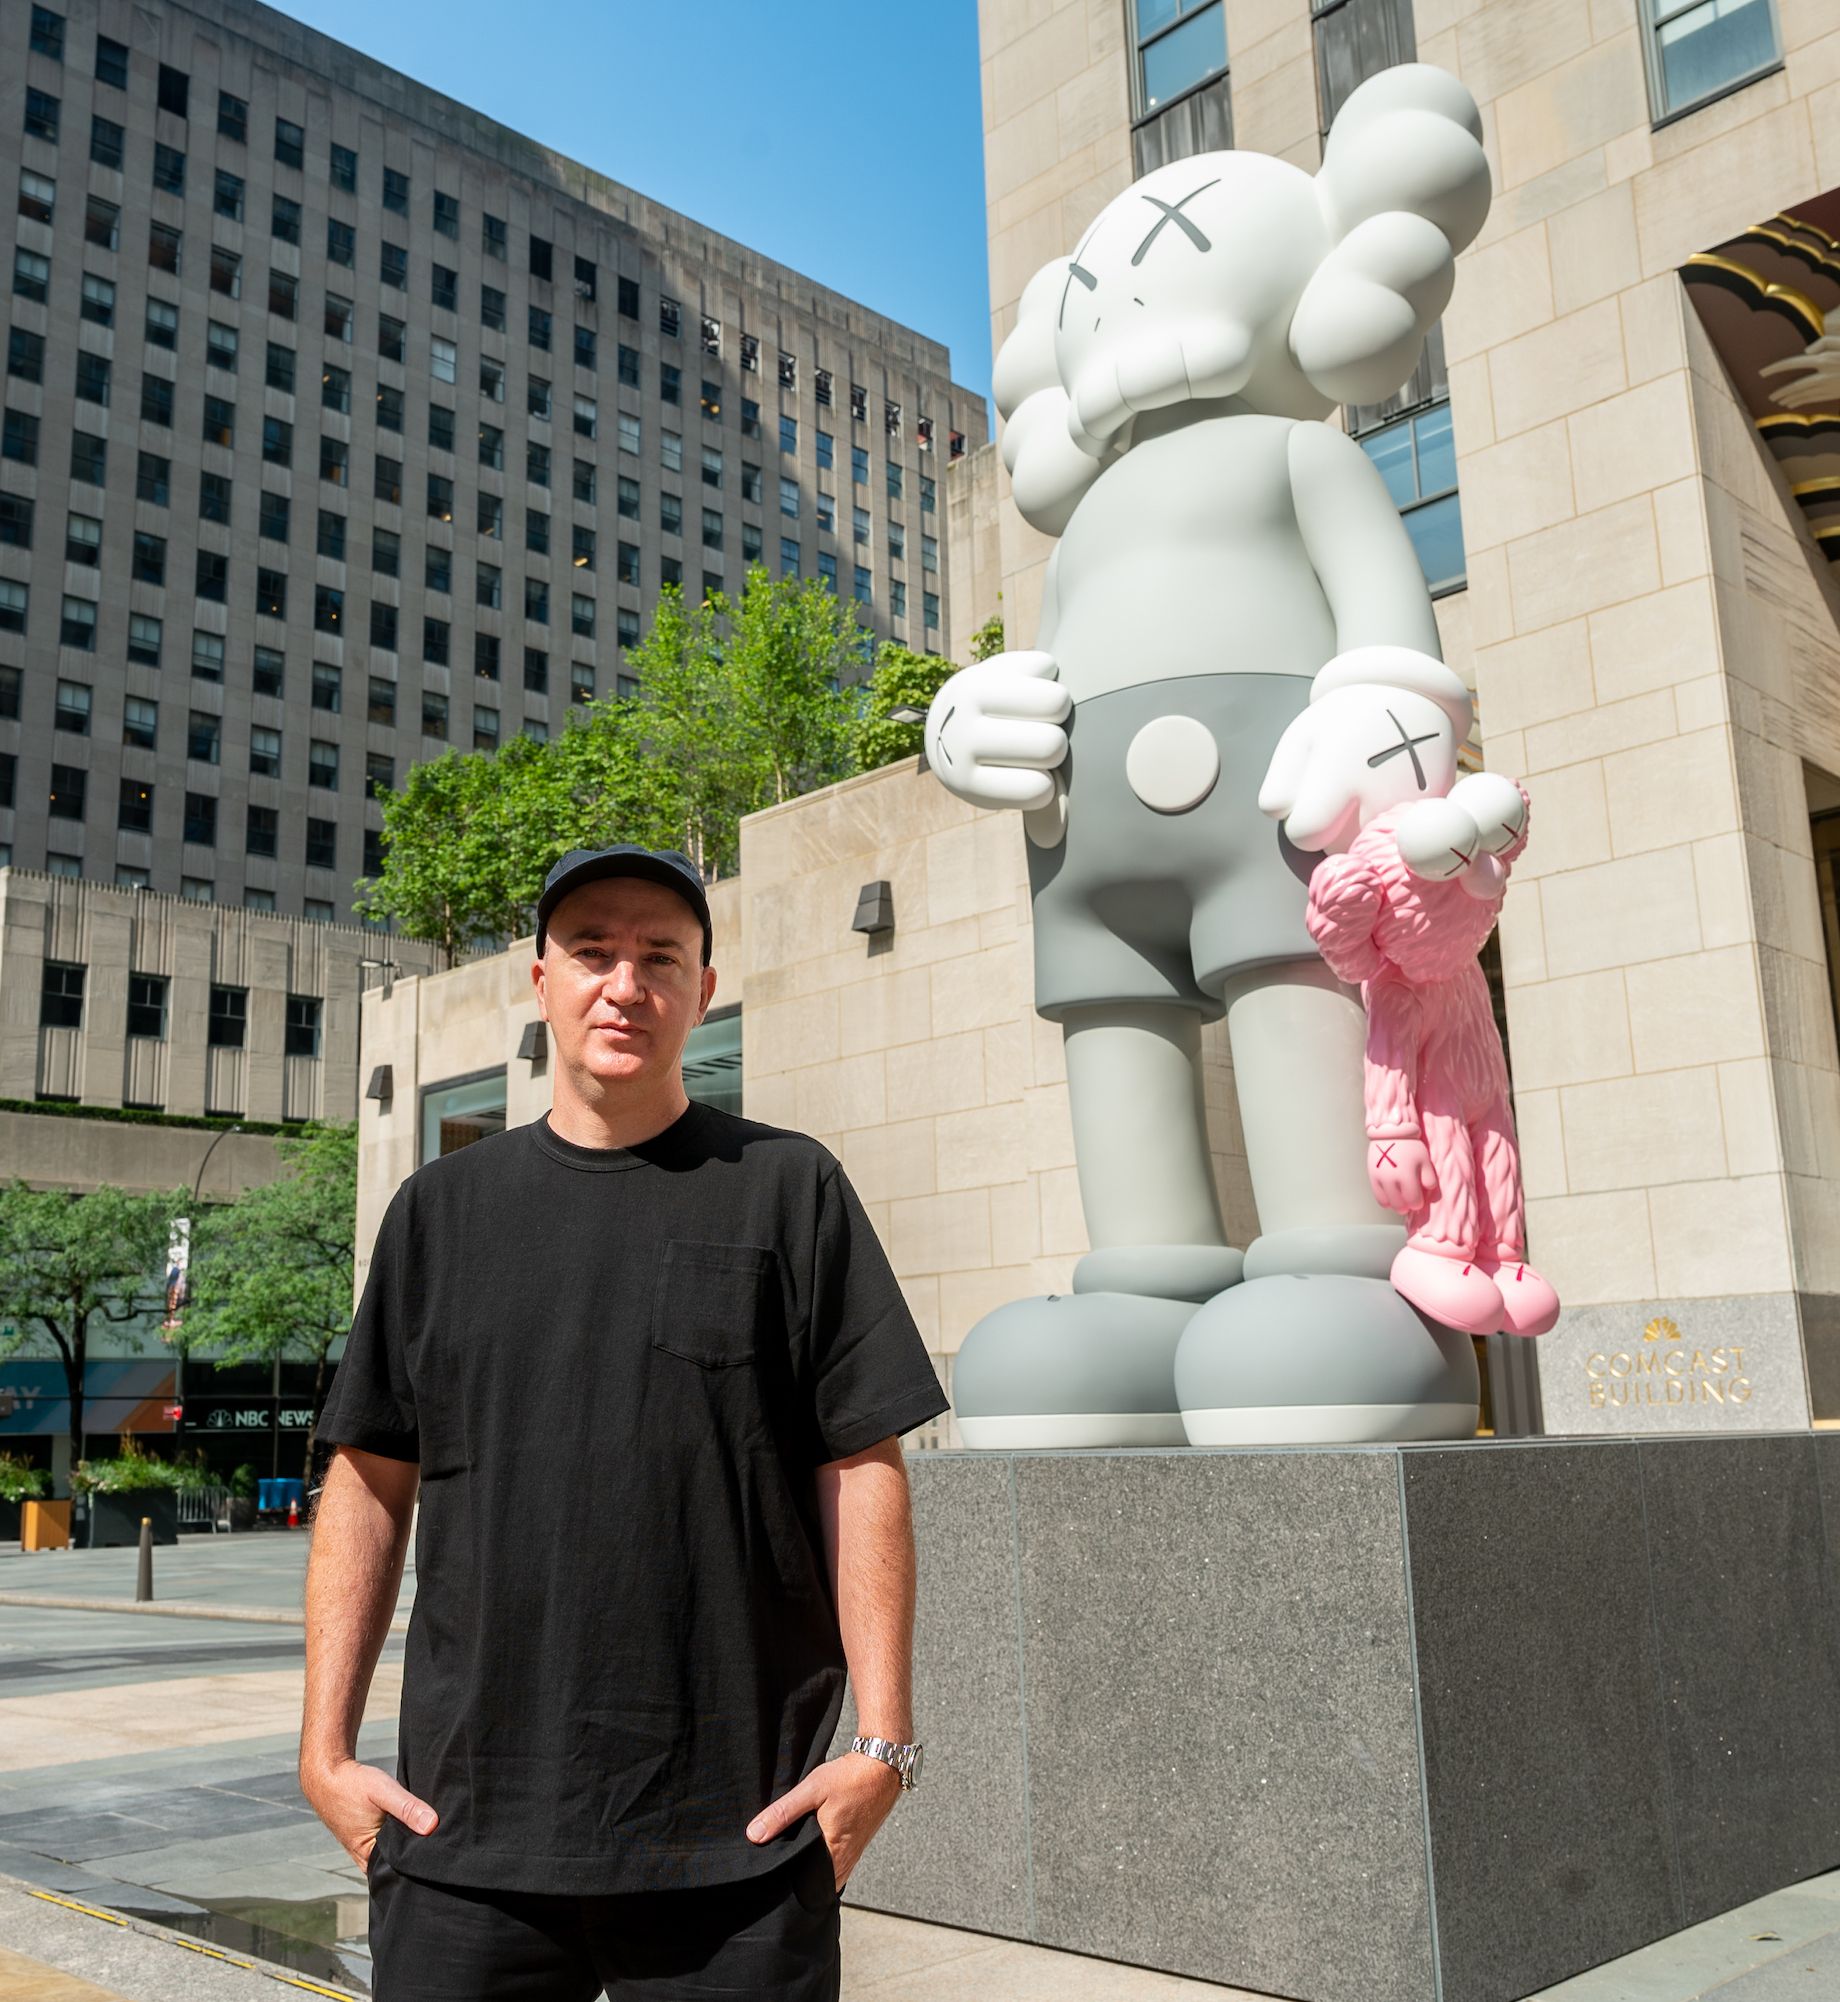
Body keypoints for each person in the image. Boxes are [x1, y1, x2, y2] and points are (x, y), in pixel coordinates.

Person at [300, 845, 949, 2001]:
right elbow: (367, 1478)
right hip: (464, 1834)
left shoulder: (788, 1189)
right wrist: (324, 1751)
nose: (624, 982)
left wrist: (881, 1745)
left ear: (704, 991)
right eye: (593, 951)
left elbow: (862, 1461)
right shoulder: (439, 1214)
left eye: (661, 956)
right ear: (539, 978)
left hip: (741, 1838)